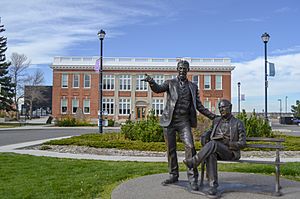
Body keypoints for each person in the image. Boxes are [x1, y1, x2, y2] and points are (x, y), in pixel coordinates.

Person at [142, 60, 216, 191]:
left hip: (184, 121)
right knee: (171, 150)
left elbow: (199, 106)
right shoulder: (170, 83)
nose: (182, 70)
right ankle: (173, 175)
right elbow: (158, 89)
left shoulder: (193, 87)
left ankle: (193, 178)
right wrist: (151, 82)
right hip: (169, 121)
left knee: (190, 146)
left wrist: (213, 116)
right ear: (177, 69)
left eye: (185, 69)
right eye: (180, 68)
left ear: (188, 70)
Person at [183, 99, 246, 196]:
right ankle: (213, 186)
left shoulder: (238, 123)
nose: (221, 109)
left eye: (223, 107)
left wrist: (229, 143)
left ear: (230, 107)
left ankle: (194, 161)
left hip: (230, 152)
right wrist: (205, 135)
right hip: (216, 151)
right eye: (219, 108)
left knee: (213, 144)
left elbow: (242, 143)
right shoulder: (216, 121)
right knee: (211, 153)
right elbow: (210, 131)